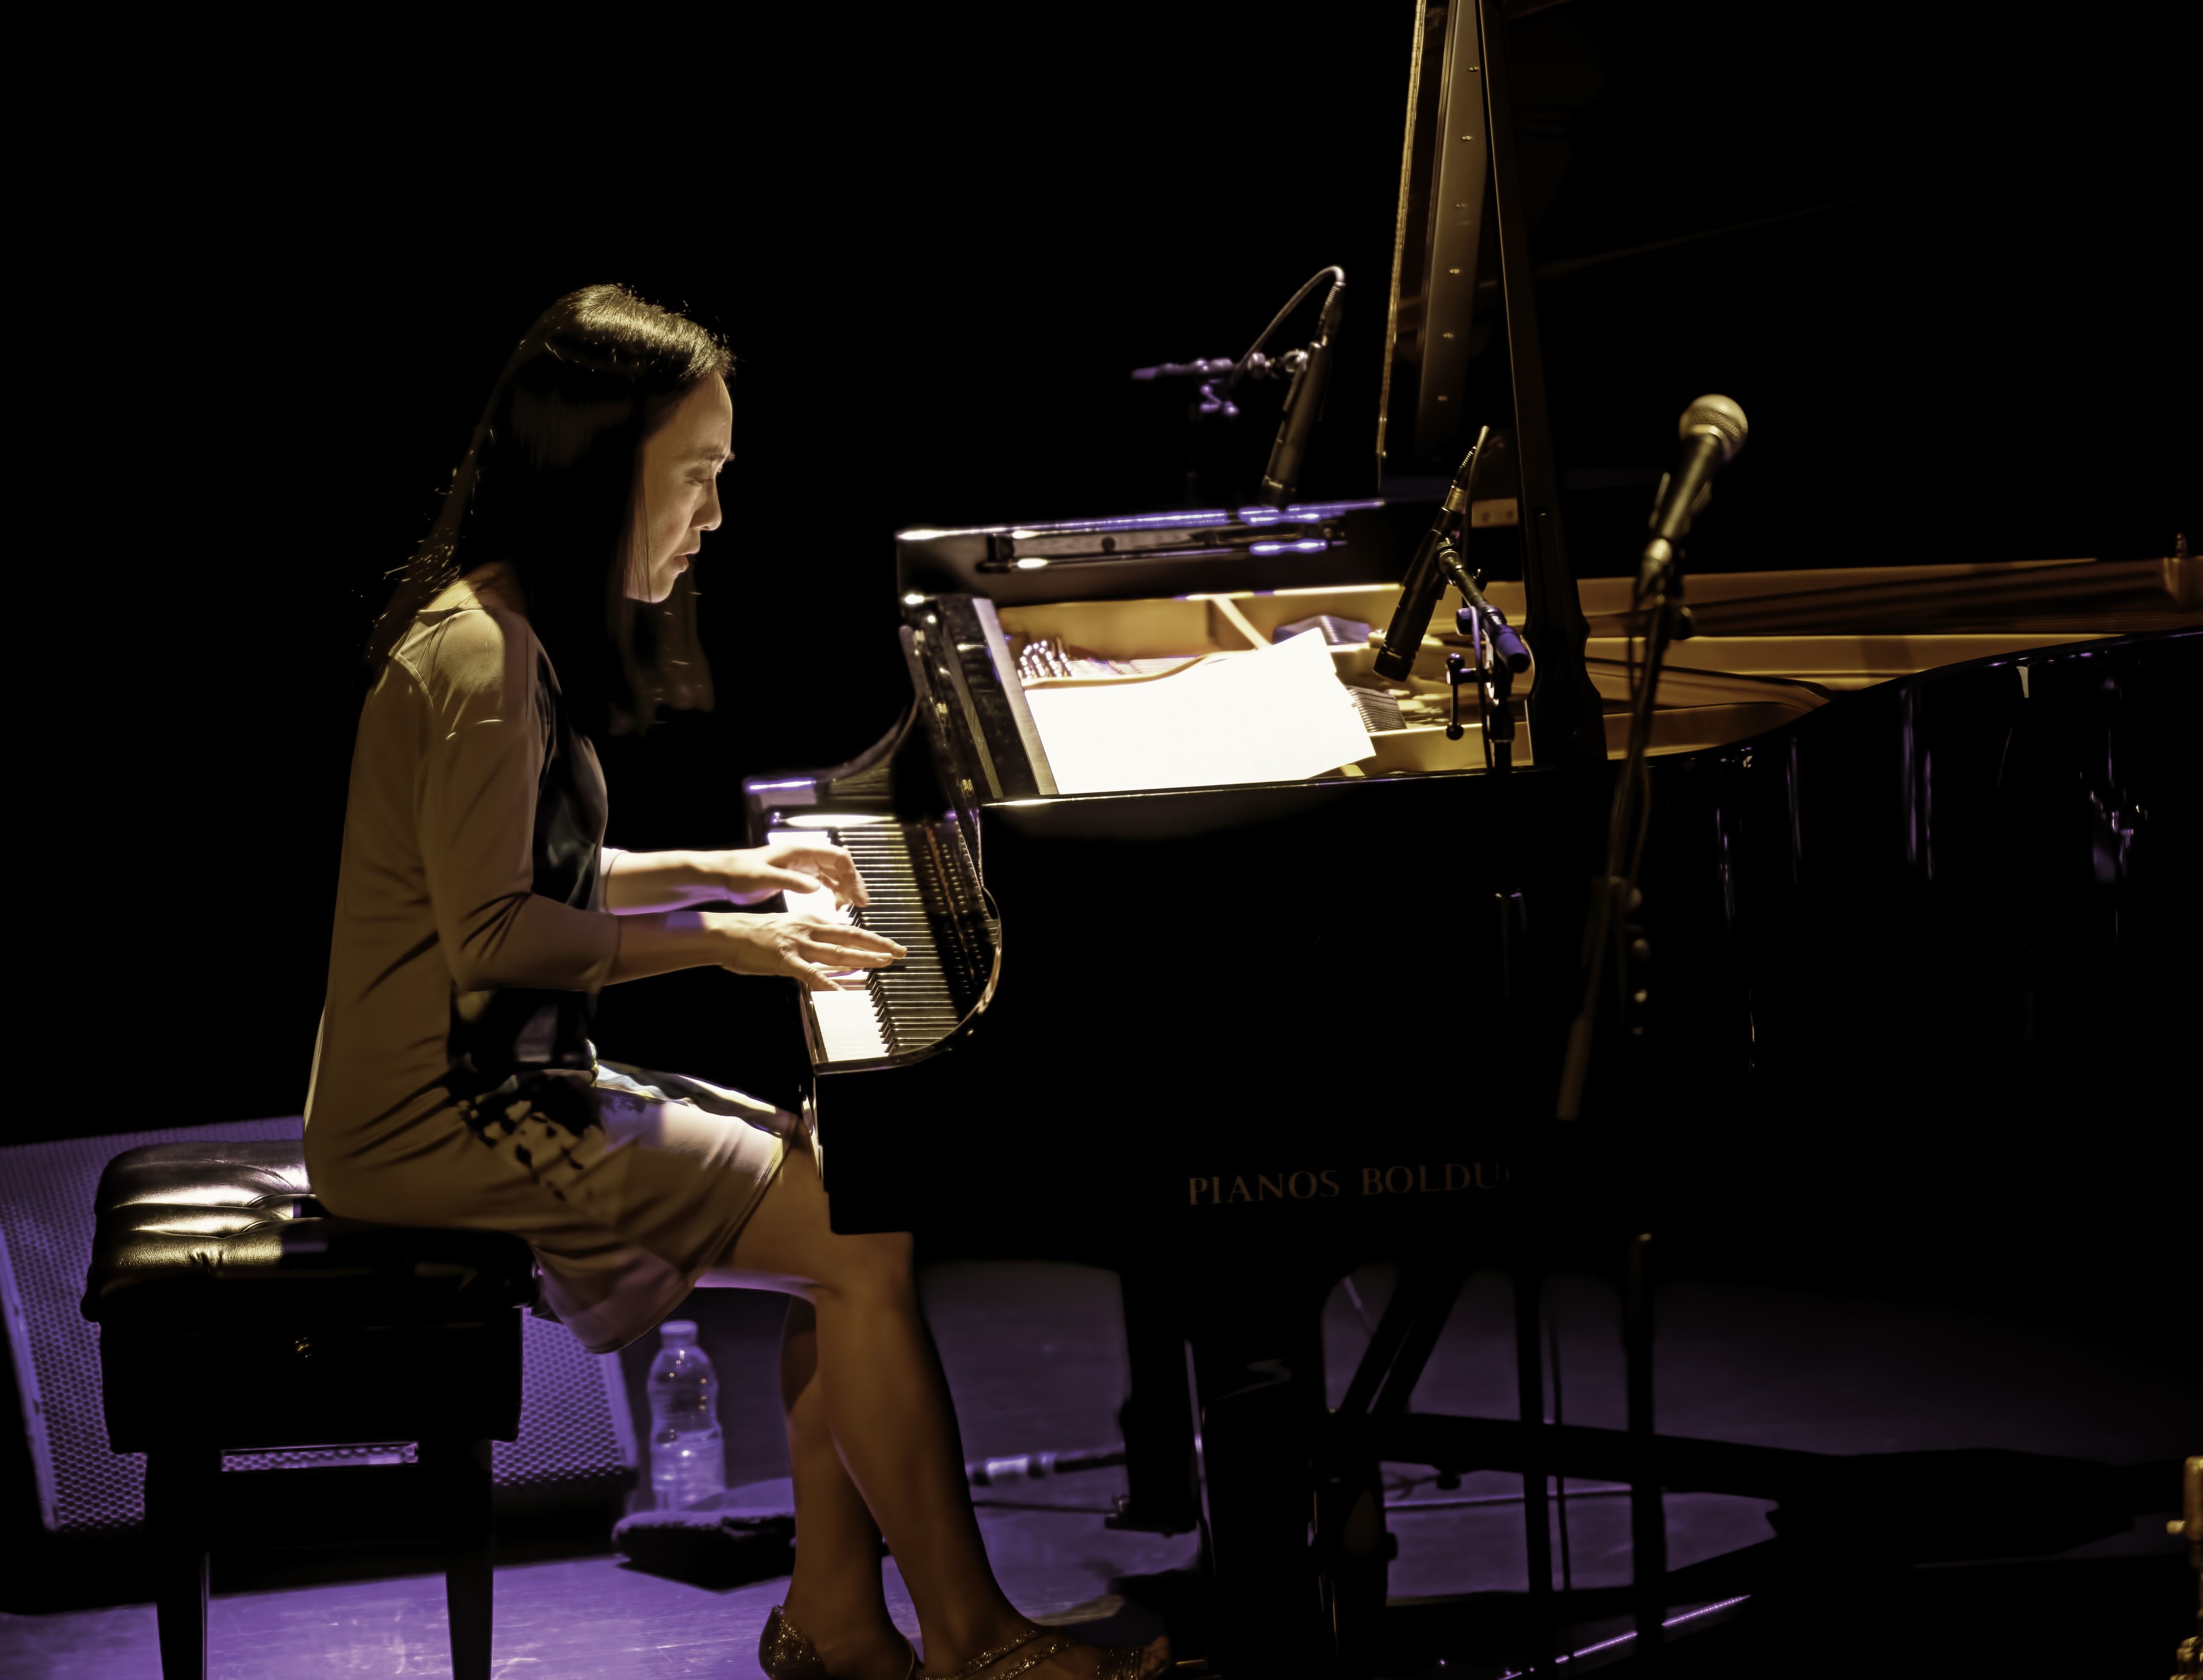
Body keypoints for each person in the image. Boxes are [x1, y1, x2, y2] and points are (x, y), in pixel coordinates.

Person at [304, 284, 1170, 1680]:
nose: (712, 513)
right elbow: (495, 938)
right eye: (694, 475)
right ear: (603, 467)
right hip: (438, 1113)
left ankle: (835, 1619)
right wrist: (724, 938)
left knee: (843, 1199)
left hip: (476, 1078)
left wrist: (730, 870)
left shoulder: (501, 623)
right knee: (859, 1237)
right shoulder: (487, 659)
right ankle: (970, 1640)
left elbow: (547, 876)